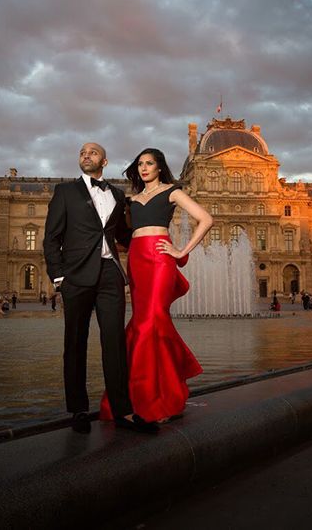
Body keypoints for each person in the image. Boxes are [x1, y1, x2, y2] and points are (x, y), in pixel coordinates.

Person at [44, 142, 156, 435]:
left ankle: (123, 410)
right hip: (76, 275)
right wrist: (59, 278)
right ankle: (78, 409)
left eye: (92, 152)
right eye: (82, 152)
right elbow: (51, 238)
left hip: (110, 274)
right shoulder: (64, 192)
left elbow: (124, 236)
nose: (86, 155)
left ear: (104, 161)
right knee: (76, 342)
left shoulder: (117, 195)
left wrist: (156, 238)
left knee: (115, 343)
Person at [97, 147, 213, 425]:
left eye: (149, 163)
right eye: (140, 164)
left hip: (161, 257)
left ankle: (158, 398)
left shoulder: (172, 191)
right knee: (141, 322)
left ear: (160, 167)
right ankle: (135, 397)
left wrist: (181, 249)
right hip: (137, 259)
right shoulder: (132, 199)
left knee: (152, 321)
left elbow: (206, 219)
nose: (144, 168)